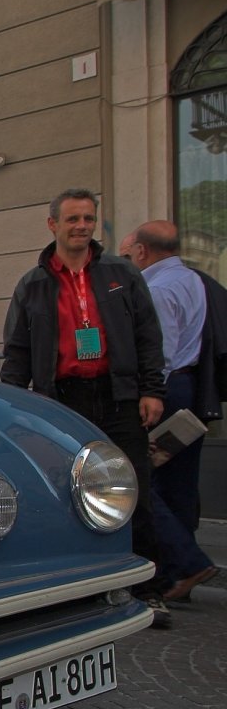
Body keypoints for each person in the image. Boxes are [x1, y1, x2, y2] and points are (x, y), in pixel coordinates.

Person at [0, 189, 169, 625]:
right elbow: (17, 349)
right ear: (52, 223)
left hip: (117, 396)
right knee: (65, 493)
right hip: (62, 401)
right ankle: (79, 584)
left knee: (134, 492)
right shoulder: (33, 284)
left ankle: (148, 589)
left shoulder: (122, 274)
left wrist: (152, 389)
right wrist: (14, 406)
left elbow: (148, 335)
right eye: (72, 218)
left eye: (88, 219)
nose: (81, 226)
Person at [129, 220, 217, 601]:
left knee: (142, 480)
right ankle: (177, 575)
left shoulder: (158, 288)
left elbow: (159, 351)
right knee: (178, 483)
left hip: (163, 390)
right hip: (189, 385)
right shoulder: (193, 280)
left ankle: (185, 562)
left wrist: (148, 392)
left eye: (130, 253)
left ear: (144, 252)